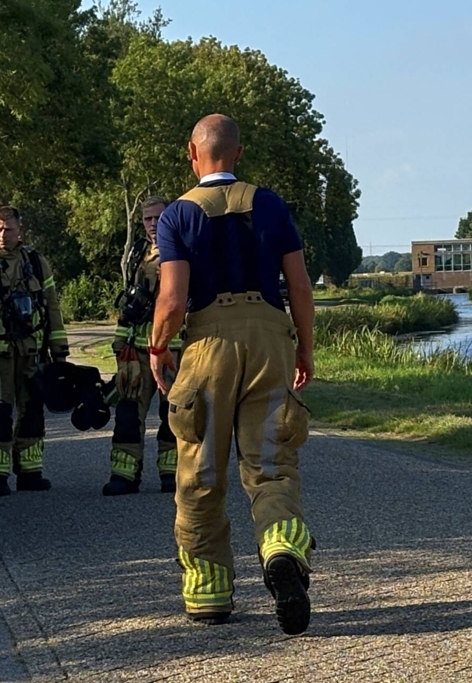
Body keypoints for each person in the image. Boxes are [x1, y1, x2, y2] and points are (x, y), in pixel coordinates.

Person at [148, 113, 316, 635]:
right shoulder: (271, 205)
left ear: (191, 154)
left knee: (200, 472)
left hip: (207, 345)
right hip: (270, 340)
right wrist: (304, 350)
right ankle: (282, 549)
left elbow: (173, 299)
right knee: (270, 465)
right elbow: (301, 287)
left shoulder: (176, 216)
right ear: (238, 154)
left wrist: (158, 346)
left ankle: (208, 598)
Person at [0, 206, 69, 497]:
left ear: (20, 230)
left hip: (32, 351)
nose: (1, 235)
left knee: (32, 408)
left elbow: (52, 306)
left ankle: (30, 472)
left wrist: (59, 351)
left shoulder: (36, 262)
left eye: (7, 229)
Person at [103, 196, 182, 496]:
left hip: (173, 350)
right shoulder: (139, 254)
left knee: (173, 415)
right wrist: (119, 342)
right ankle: (124, 474)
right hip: (137, 349)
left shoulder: (183, 249)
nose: (152, 224)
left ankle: (171, 474)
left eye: (158, 218)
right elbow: (130, 302)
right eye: (147, 219)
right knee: (126, 413)